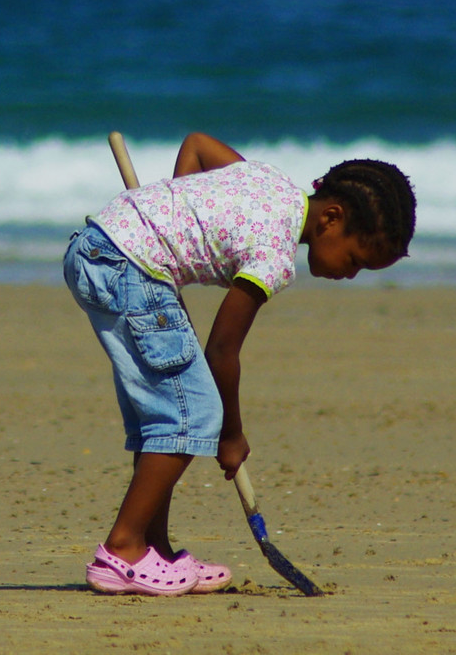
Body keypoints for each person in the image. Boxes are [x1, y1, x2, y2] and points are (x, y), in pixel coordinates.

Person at [63, 131, 417, 595]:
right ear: (332, 218)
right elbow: (222, 352)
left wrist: (174, 211)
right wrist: (230, 433)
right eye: (355, 261)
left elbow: (197, 145)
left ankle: (156, 550)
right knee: (193, 414)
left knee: (162, 420)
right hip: (131, 265)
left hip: (101, 248)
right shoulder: (274, 255)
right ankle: (122, 550)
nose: (349, 275)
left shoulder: (267, 178)